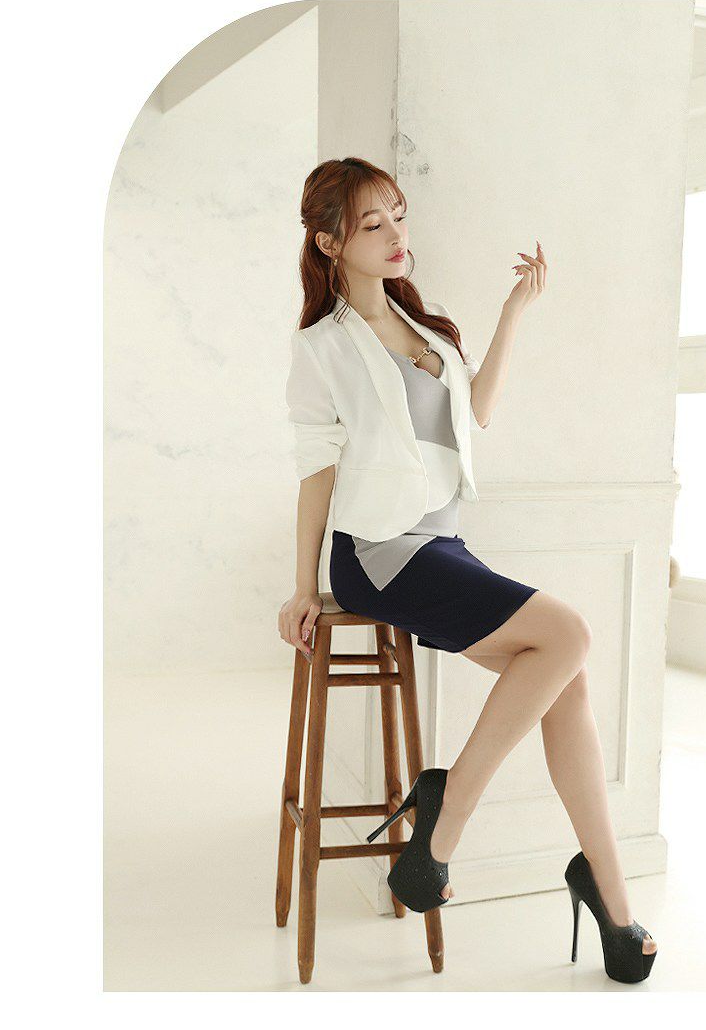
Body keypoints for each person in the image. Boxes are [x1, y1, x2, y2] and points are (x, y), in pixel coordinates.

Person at [277, 156, 657, 983]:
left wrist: (514, 311)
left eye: (398, 215)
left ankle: (609, 894)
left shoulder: (425, 327)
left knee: (567, 674)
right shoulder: (323, 347)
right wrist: (303, 586)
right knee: (570, 633)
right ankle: (444, 824)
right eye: (373, 224)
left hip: (441, 545)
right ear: (330, 242)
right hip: (379, 553)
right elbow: (316, 472)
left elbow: (476, 410)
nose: (395, 234)